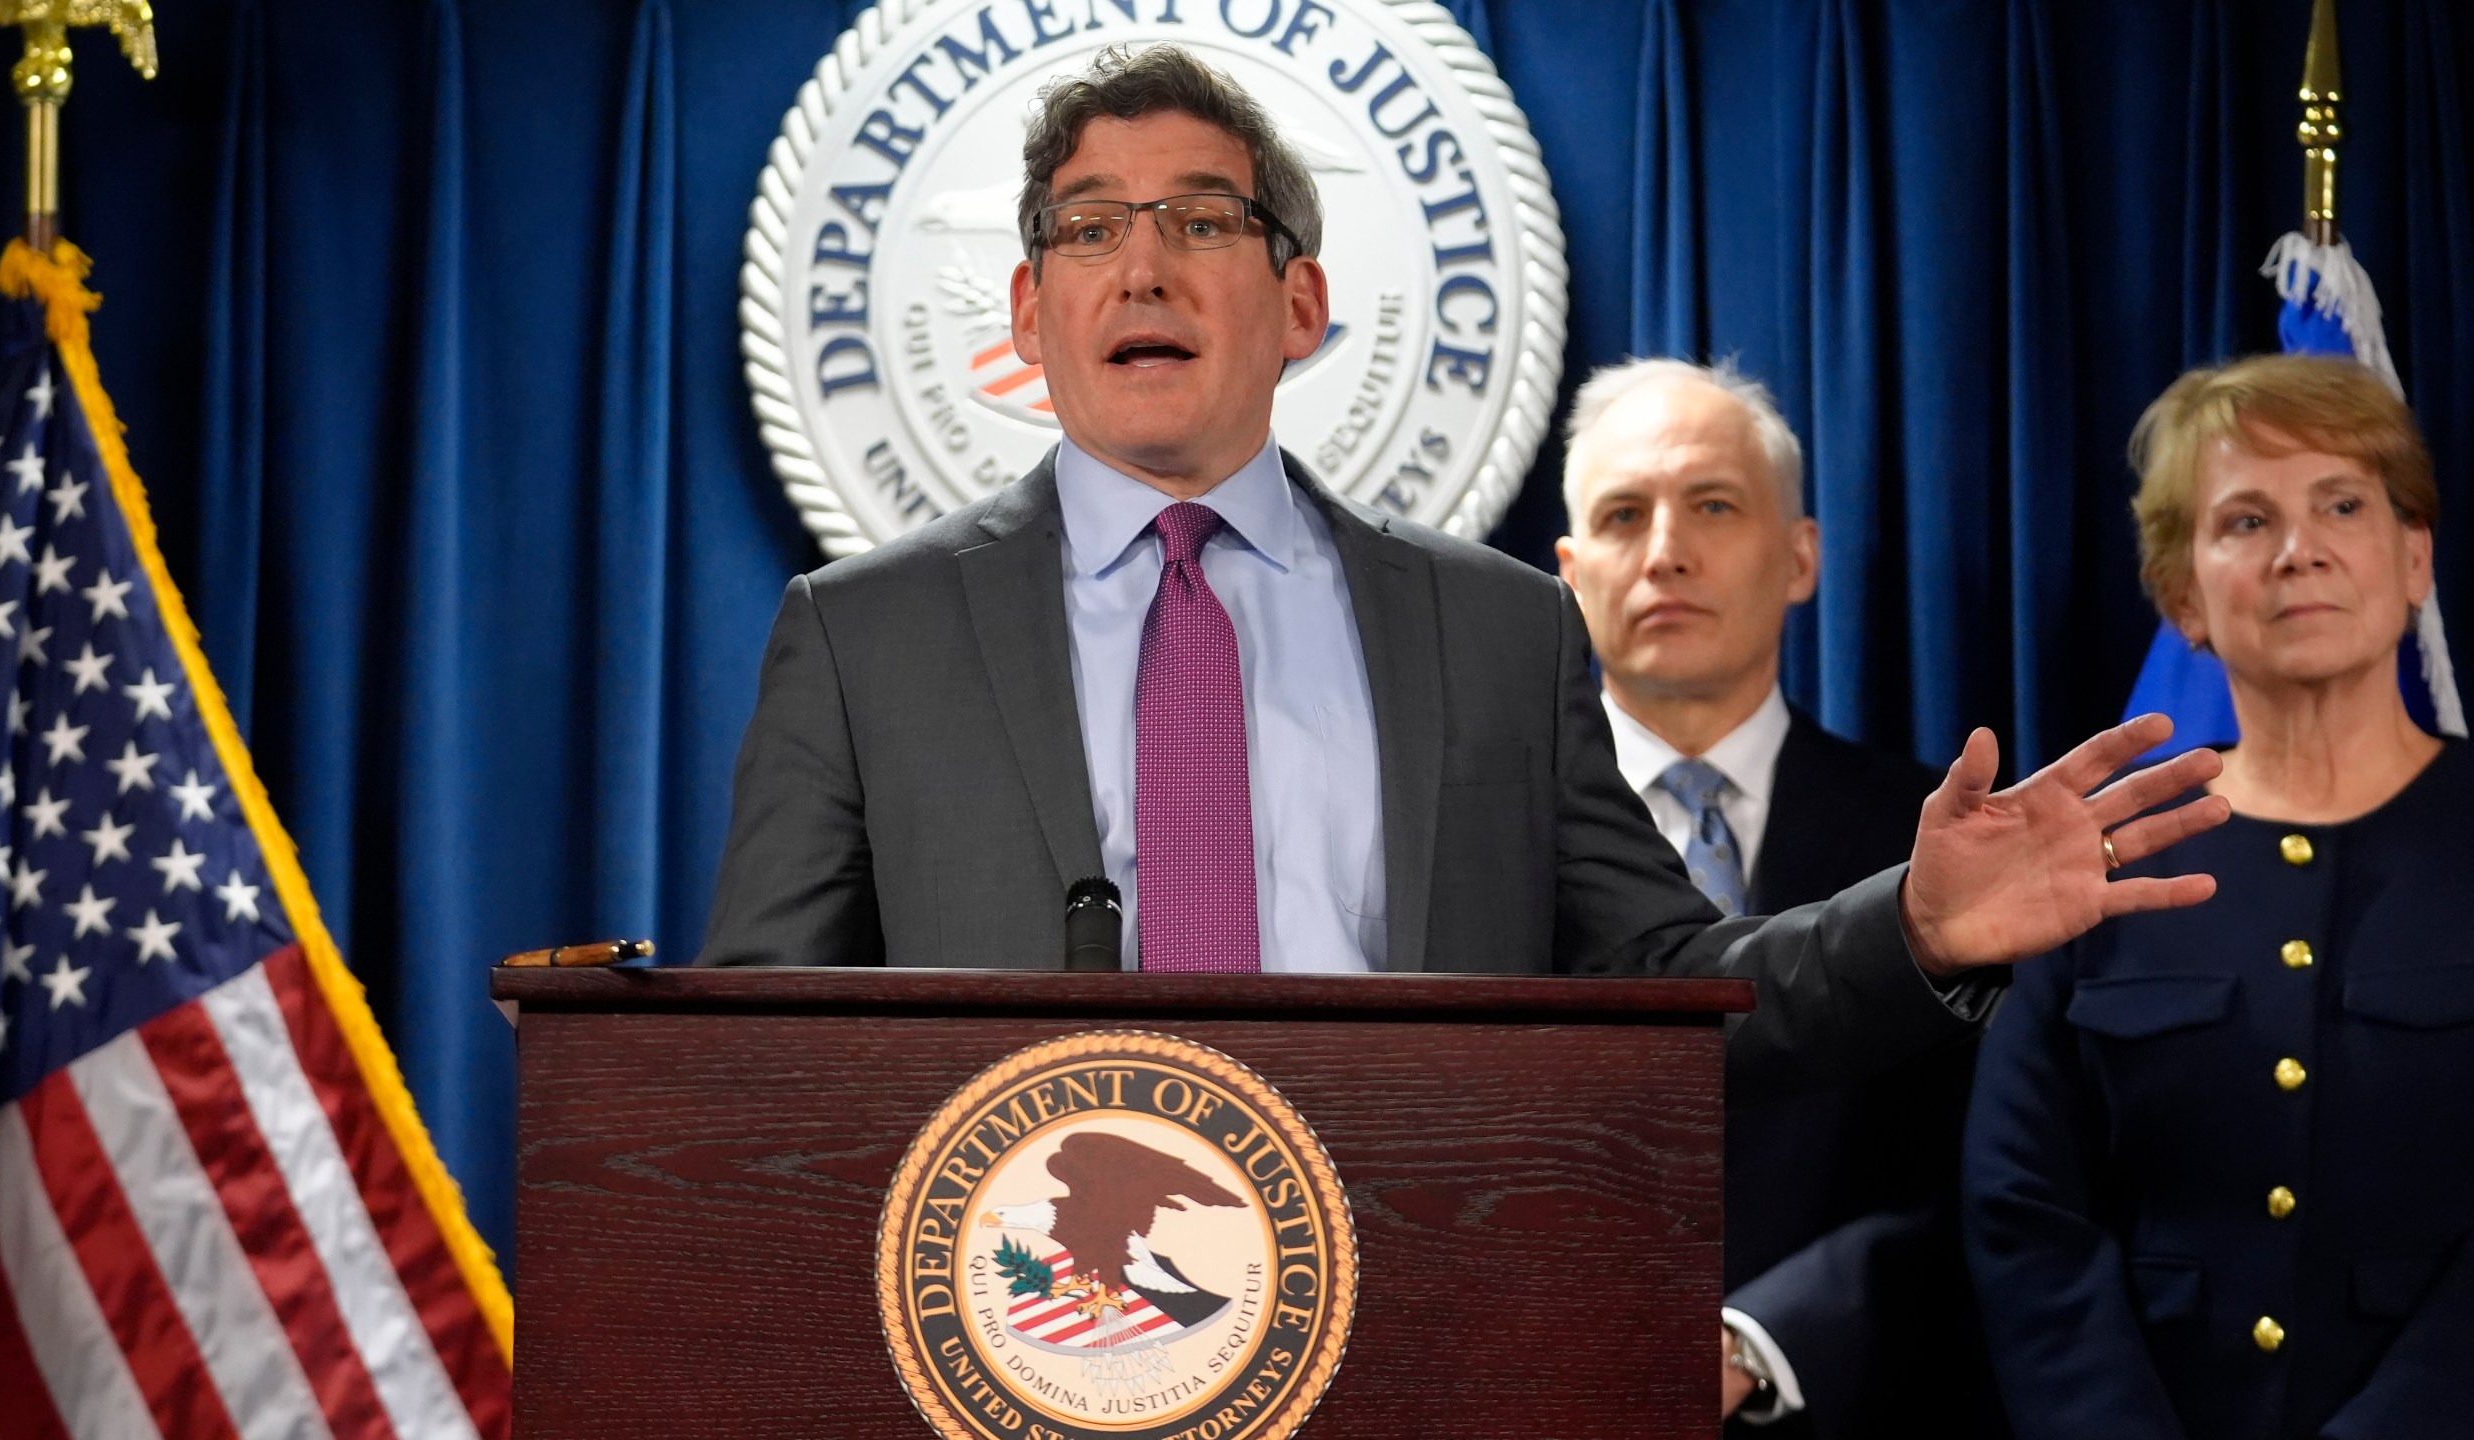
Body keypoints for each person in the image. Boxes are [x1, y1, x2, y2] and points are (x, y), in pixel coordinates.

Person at [697, 44, 2228, 1102]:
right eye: (1090, 229)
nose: (1142, 264)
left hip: (1418, 1315)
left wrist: (1910, 929)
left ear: (1298, 302)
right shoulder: (862, 638)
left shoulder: (1497, 631)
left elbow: (1656, 981)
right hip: (1012, 1355)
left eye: (1200, 220)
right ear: (1031, 312)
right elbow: (754, 1062)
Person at [1963, 353, 2474, 1440]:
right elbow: (2023, 1209)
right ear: (2183, 597)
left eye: (2342, 504)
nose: (2300, 551)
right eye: (2245, 521)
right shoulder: (2098, 855)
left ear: (2414, 557)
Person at [1557, 360, 2000, 1437]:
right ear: (1566, 575)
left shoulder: (1944, 843)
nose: (1665, 551)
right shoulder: (1483, 844)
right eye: (1624, 516)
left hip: (1862, 1399)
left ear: (1799, 556)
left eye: (1712, 505)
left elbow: (1994, 1171)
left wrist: (1763, 1341)